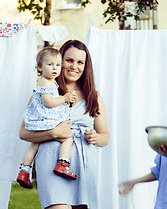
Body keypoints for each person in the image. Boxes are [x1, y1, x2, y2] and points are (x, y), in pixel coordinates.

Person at [19, 40, 109, 209]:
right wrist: (52, 133)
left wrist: (96, 137)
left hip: (84, 165)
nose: (74, 66)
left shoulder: (93, 96)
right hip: (51, 164)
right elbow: (23, 133)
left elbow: (105, 137)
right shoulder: (45, 93)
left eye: (80, 62)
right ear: (60, 61)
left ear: (85, 66)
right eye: (69, 60)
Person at [17, 47, 78, 189]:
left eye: (57, 65)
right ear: (39, 66)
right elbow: (48, 102)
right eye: (50, 65)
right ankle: (63, 163)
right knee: (68, 138)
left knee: (34, 144)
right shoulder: (46, 82)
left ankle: (24, 171)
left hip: (42, 120)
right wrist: (64, 98)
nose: (54, 68)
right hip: (47, 120)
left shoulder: (48, 81)